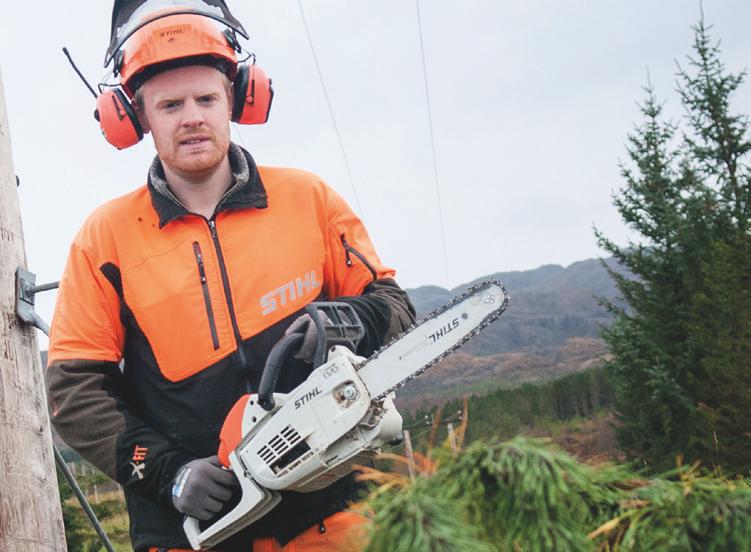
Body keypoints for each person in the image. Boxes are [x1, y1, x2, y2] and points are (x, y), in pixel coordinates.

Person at [46, 4, 415, 551]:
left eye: (205, 99)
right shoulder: (105, 238)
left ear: (237, 100)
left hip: (335, 513)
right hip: (194, 532)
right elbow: (75, 391)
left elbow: (394, 306)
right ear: (137, 117)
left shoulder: (307, 199)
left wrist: (347, 319)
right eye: (170, 105)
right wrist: (167, 473)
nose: (191, 117)